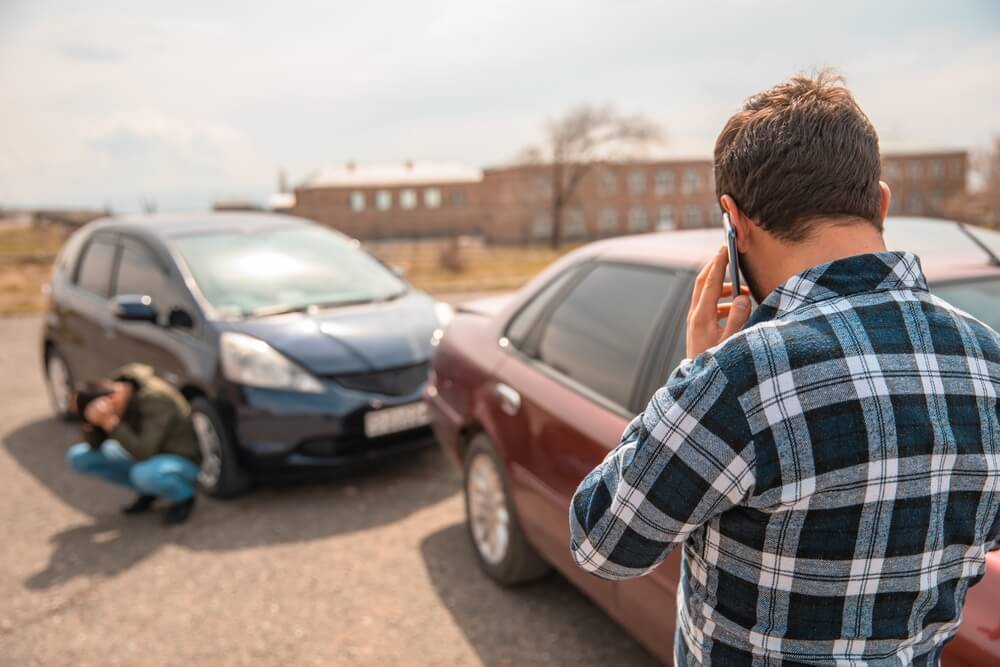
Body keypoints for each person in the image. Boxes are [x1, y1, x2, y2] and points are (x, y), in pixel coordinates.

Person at [569, 71, 1000, 665]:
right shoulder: (989, 364)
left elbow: (602, 543)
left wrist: (693, 374)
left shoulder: (739, 378)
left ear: (734, 221)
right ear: (880, 201)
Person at [66, 363, 202, 526]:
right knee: (79, 456)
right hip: (148, 456)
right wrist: (92, 425)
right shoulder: (116, 392)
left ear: (111, 400)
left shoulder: (155, 398)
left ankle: (184, 496)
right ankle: (149, 490)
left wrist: (110, 422)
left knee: (142, 473)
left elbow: (144, 452)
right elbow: (94, 445)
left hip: (183, 458)